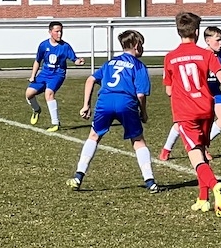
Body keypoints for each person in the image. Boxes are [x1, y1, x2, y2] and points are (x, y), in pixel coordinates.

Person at [161, 12, 221, 215]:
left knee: (195, 157)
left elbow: (168, 91)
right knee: (201, 151)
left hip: (186, 112)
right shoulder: (206, 54)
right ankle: (203, 199)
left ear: (178, 31)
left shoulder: (170, 57)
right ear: (197, 31)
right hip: (206, 109)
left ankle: (214, 185)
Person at [66, 29, 157, 192]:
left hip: (105, 101)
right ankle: (150, 181)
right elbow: (141, 95)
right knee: (138, 140)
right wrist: (143, 112)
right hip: (125, 102)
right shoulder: (139, 66)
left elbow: (90, 79)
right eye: (142, 45)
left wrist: (86, 105)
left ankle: (78, 176)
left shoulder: (110, 63)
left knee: (94, 136)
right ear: (136, 45)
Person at [159, 25, 221, 163]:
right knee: (182, 123)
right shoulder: (201, 54)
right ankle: (166, 149)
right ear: (207, 41)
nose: (220, 43)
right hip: (201, 93)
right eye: (217, 40)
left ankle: (202, 145)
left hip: (215, 91)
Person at [25, 21, 84, 132]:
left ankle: (55, 123)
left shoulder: (65, 46)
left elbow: (74, 59)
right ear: (50, 32)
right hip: (44, 73)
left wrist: (78, 61)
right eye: (57, 31)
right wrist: (33, 76)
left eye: (61, 31)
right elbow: (37, 61)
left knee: (49, 93)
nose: (59, 34)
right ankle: (36, 110)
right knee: (29, 94)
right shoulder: (43, 45)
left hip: (58, 74)